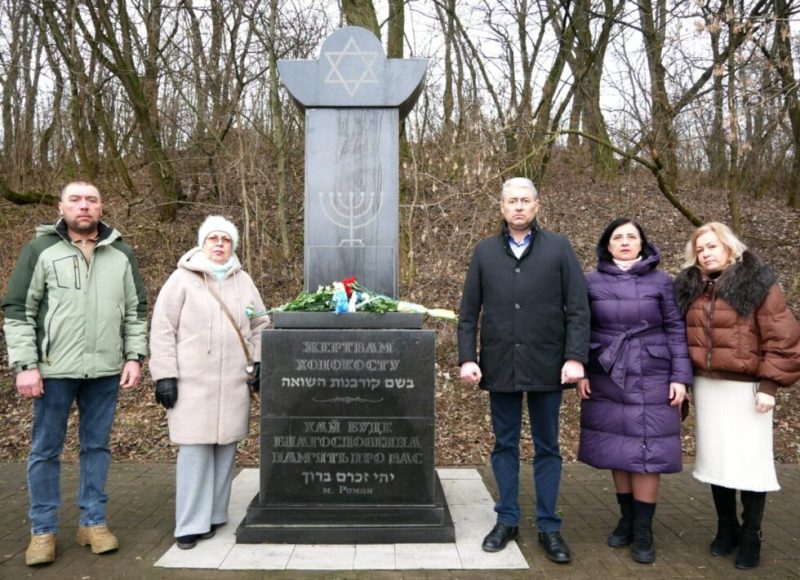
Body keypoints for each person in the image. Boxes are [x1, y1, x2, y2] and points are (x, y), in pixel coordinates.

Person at [2, 182, 148, 566]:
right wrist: (26, 365)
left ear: (101, 208)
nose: (84, 206)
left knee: (97, 448)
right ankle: (43, 531)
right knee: (45, 451)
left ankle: (93, 523)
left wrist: (133, 357)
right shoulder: (41, 250)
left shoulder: (121, 253)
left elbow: (136, 311)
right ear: (61, 207)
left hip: (105, 371)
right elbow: (18, 309)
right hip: (52, 372)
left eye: (92, 200)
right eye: (76, 200)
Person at [457, 177, 589, 562]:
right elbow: (468, 314)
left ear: (537, 206)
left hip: (550, 365)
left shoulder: (560, 249)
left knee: (548, 448)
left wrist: (575, 356)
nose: (518, 207)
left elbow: (579, 309)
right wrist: (468, 357)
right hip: (499, 365)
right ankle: (508, 520)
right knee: (505, 445)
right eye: (511, 201)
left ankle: (549, 527)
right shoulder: (484, 252)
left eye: (525, 201)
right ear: (501, 207)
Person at [674, 222, 800, 570]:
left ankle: (752, 533)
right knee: (717, 461)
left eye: (712, 246)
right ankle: (726, 528)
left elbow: (783, 337)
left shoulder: (757, 283)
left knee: (750, 464)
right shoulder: (690, 288)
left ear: (729, 247)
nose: (706, 253)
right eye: (700, 249)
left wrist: (770, 387)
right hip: (708, 387)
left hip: (749, 390)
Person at [576, 218, 692, 563]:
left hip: (653, 373)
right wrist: (581, 369)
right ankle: (626, 520)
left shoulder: (662, 282)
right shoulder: (590, 282)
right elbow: (581, 328)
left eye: (631, 237)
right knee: (618, 447)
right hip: (607, 372)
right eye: (617, 237)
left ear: (643, 243)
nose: (625, 242)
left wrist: (680, 377)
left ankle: (644, 530)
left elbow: (676, 330)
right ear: (607, 245)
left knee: (647, 452)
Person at [149, 216, 269, 550]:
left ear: (233, 245)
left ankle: (215, 515)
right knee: (196, 450)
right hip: (193, 381)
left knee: (225, 448)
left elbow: (260, 323)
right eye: (213, 238)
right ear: (203, 243)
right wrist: (165, 375)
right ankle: (189, 523)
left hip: (233, 379)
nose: (219, 244)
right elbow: (162, 329)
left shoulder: (243, 281)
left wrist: (259, 360)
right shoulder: (181, 280)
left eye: (226, 239)